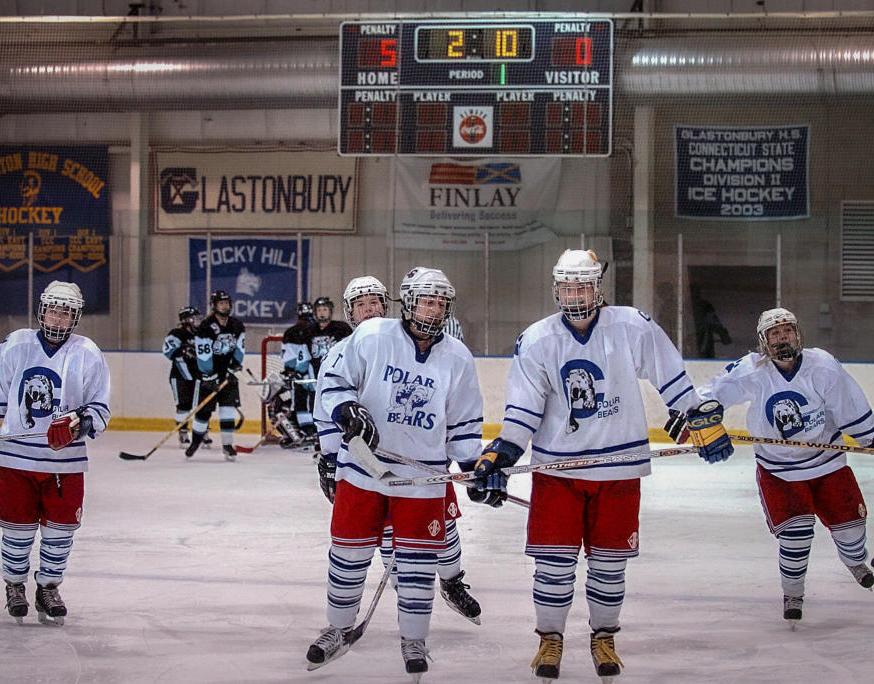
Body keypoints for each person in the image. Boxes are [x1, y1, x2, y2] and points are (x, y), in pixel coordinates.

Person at [467, 249, 732, 681]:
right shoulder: (537, 339)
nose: (575, 294)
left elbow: (672, 377)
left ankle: (604, 635)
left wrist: (699, 418)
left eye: (583, 285)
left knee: (610, 565)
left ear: (597, 287)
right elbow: (521, 411)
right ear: (557, 288)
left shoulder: (632, 326)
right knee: (553, 567)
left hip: (619, 472)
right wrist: (504, 451)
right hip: (558, 476)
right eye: (568, 286)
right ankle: (549, 639)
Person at [306, 267, 483, 681]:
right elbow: (332, 384)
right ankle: (337, 627)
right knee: (348, 555)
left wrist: (476, 468)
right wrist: (343, 414)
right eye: (426, 299)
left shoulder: (457, 356)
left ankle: (414, 638)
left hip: (421, 484)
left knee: (418, 562)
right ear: (407, 301)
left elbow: (463, 424)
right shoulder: (371, 338)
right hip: (363, 471)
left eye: (440, 302)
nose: (433, 309)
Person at [668, 307, 874, 627]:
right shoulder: (752, 370)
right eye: (774, 334)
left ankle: (857, 562)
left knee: (852, 529)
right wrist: (690, 415)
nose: (782, 338)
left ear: (797, 333)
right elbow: (714, 393)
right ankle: (793, 593)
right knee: (796, 536)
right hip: (779, 471)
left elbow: (850, 405)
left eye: (787, 331)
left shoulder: (822, 366)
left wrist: (870, 437)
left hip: (827, 464)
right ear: (764, 341)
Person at [0, 280, 111, 626]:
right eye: (52, 310)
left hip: (65, 463)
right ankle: (15, 585)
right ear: (41, 310)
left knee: (60, 531)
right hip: (15, 459)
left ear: (75, 317)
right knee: (16, 530)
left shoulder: (87, 352)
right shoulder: (15, 344)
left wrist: (79, 422)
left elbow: (100, 409)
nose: (57, 319)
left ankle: (47, 588)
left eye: (65, 313)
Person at [187, 289, 245, 461]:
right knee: (203, 413)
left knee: (228, 410)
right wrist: (209, 375)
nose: (224, 306)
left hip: (228, 375)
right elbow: (203, 354)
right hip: (209, 376)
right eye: (221, 303)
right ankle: (195, 442)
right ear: (214, 306)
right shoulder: (205, 327)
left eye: (226, 303)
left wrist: (234, 366)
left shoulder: (236, 325)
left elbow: (240, 349)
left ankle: (227, 446)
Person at [163, 305, 204, 447]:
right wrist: (183, 351)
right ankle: (183, 433)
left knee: (202, 405)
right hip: (179, 376)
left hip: (198, 375)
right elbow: (168, 351)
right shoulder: (176, 333)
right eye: (195, 319)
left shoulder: (201, 334)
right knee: (184, 406)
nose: (198, 322)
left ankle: (201, 432)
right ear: (186, 320)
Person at [279, 301, 318, 446]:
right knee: (313, 403)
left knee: (300, 403)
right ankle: (315, 433)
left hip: (301, 375)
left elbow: (289, 359)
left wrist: (292, 371)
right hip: (316, 374)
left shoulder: (291, 332)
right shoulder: (317, 329)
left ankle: (308, 433)